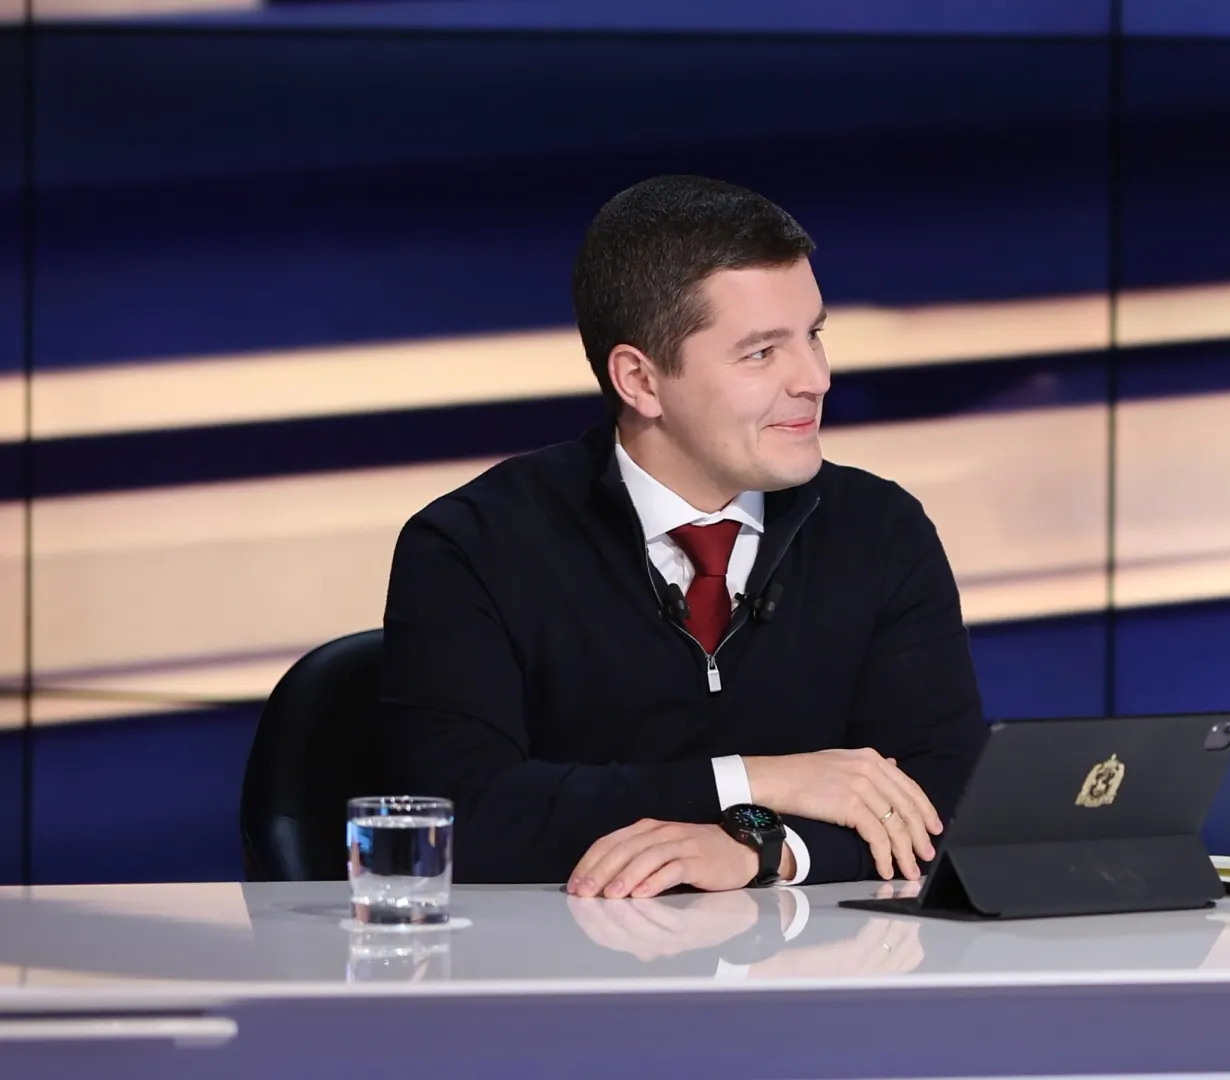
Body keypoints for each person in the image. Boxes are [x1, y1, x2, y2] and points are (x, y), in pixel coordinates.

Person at [379, 174, 988, 899]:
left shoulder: (880, 528)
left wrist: (764, 849)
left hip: (819, 961)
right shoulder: (472, 544)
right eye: (761, 353)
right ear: (640, 381)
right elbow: (458, 817)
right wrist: (752, 781)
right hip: (563, 958)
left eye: (814, 335)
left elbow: (948, 795)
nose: (815, 379)